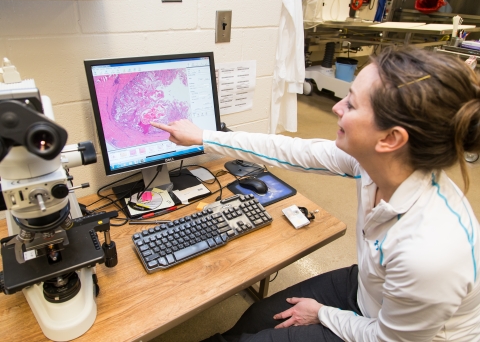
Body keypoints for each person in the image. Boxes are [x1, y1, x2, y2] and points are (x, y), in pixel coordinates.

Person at [150, 46, 480, 341]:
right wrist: (204, 137)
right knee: (258, 317)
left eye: (351, 104)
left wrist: (323, 314)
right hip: (371, 291)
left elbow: (386, 339)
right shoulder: (378, 164)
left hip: (395, 334)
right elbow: (292, 151)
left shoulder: (432, 253)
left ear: (391, 139)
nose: (336, 107)